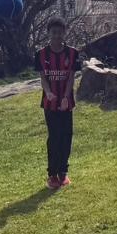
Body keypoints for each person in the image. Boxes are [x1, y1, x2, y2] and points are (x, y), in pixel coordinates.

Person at [37, 17, 81, 191]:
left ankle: (63, 171)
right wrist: (48, 92)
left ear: (64, 33)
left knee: (66, 136)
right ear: (49, 33)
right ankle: (52, 174)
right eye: (54, 32)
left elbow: (70, 77)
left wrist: (66, 97)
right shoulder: (41, 54)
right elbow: (43, 78)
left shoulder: (72, 53)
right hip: (50, 103)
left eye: (60, 32)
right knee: (54, 137)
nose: (57, 36)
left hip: (66, 103)